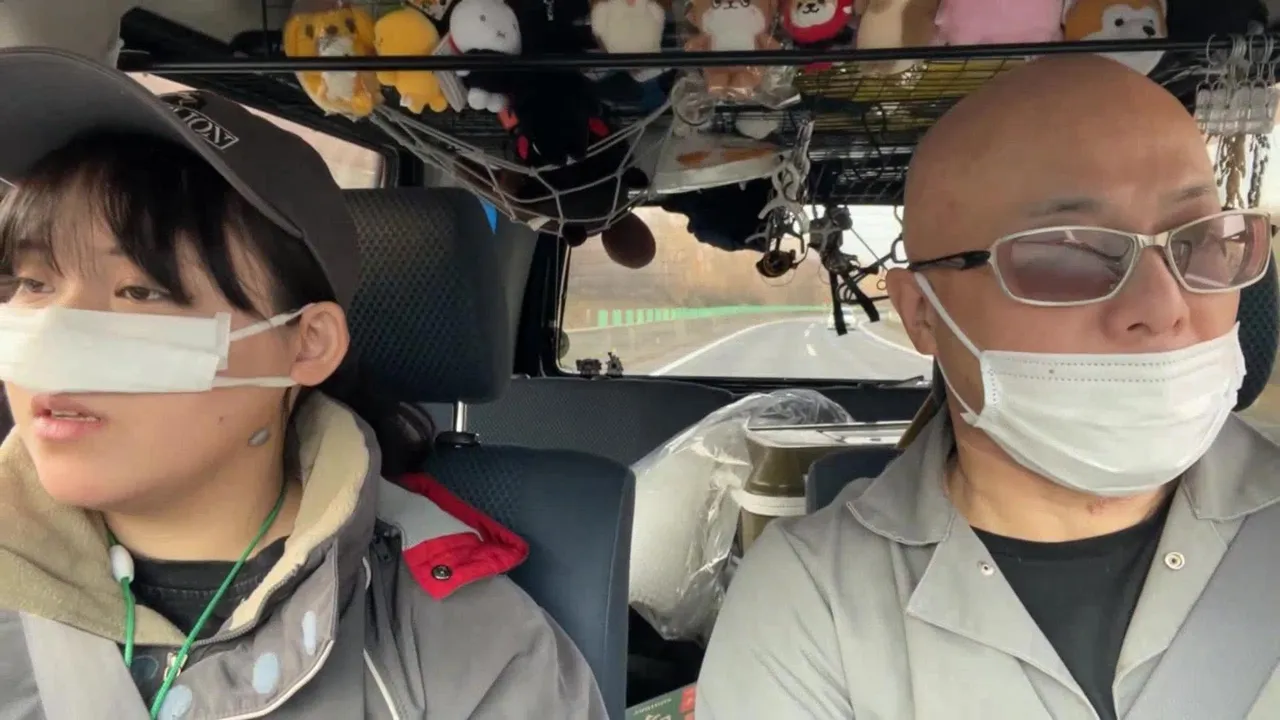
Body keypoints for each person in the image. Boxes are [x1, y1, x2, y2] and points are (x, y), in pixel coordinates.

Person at [0, 48, 607, 719]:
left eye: (142, 290)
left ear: (307, 343)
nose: (54, 334)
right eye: (33, 283)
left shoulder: (474, 655)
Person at [696, 54, 1280, 719]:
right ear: (924, 313)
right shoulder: (810, 603)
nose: (1163, 306)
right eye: (1067, 254)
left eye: (1199, 243)